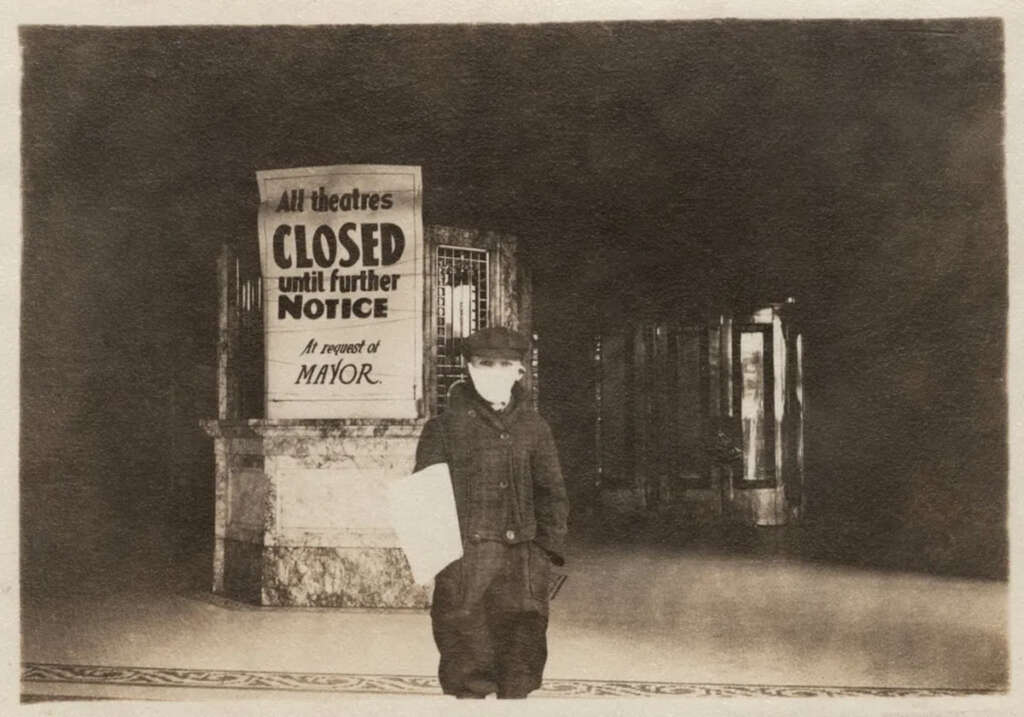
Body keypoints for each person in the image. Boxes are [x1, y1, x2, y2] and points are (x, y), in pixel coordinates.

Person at [415, 326, 569, 699]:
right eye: (485, 363)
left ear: (520, 371)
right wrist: (447, 567)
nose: (494, 371)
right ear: (468, 368)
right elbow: (424, 503)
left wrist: (545, 555)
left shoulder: (535, 428)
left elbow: (552, 495)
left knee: (521, 660)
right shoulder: (443, 429)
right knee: (466, 657)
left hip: (523, 568)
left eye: (505, 364)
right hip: (466, 568)